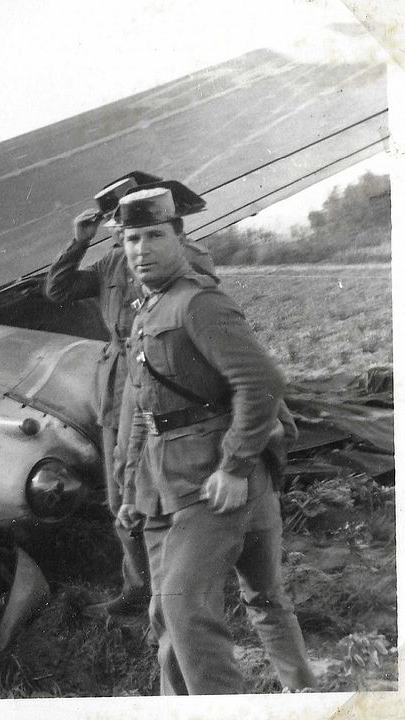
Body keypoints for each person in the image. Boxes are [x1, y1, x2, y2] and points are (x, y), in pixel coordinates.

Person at [114, 183, 315, 694]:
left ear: (180, 237)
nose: (141, 250)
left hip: (209, 480)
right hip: (168, 480)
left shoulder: (197, 304)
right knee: (170, 613)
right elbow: (145, 408)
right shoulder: (150, 308)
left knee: (186, 611)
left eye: (154, 236)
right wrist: (132, 490)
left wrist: (235, 465)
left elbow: (261, 382)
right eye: (132, 239)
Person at [44, 172, 215, 616]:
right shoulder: (109, 265)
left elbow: (200, 292)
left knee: (161, 479)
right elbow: (57, 290)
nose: (128, 235)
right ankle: (140, 587)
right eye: (121, 227)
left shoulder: (183, 255)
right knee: (119, 487)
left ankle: (181, 582)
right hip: (116, 379)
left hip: (160, 373)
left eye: (138, 225)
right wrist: (78, 242)